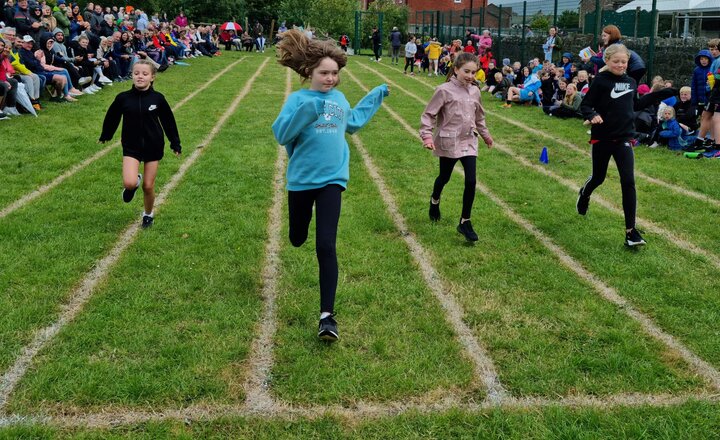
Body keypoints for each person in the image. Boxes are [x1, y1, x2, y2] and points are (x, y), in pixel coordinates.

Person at [271, 29, 389, 342]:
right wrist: (307, 112)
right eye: (324, 73)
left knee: (326, 244)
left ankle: (327, 316)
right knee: (297, 237)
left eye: (335, 74)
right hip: (301, 181)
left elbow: (352, 123)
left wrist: (375, 96)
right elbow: (282, 134)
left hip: (332, 180)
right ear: (309, 72)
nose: (330, 79)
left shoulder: (337, 98)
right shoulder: (298, 99)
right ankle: (298, 232)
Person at [576, 44, 646, 247]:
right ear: (607, 61)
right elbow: (586, 104)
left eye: (624, 61)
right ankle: (585, 193)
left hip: (624, 139)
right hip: (602, 139)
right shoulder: (600, 81)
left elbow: (636, 105)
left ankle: (631, 232)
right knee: (599, 177)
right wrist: (592, 115)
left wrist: (662, 93)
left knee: (628, 181)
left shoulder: (631, 81)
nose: (621, 65)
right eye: (616, 61)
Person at [419, 52, 493, 242]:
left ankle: (465, 222)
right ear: (456, 69)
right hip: (449, 141)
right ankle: (435, 200)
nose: (470, 76)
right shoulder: (444, 90)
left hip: (469, 140)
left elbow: (479, 117)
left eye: (474, 72)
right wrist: (427, 136)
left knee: (471, 181)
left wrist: (485, 135)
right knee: (444, 177)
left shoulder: (475, 90)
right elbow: (429, 115)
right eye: (466, 71)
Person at [99, 59, 181, 229]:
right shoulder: (123, 98)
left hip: (153, 146)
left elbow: (168, 121)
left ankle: (148, 214)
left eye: (144, 74)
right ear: (132, 75)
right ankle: (134, 183)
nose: (140, 77)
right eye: (136, 73)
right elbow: (112, 116)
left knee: (148, 186)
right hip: (131, 146)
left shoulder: (158, 99)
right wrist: (106, 134)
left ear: (152, 77)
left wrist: (175, 143)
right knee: (129, 183)